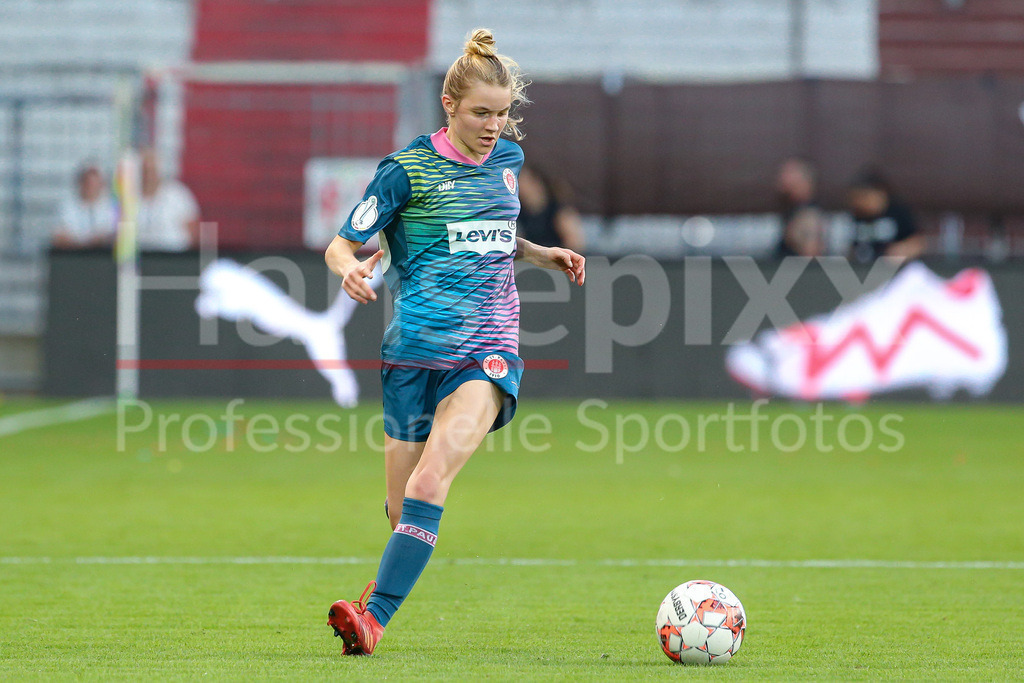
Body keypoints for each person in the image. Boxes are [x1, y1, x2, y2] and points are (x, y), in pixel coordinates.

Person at [323, 28, 585, 656]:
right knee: (399, 509)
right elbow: (341, 244)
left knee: (428, 483)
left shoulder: (508, 162)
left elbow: (494, 235)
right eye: (481, 113)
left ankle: (373, 619)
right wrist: (351, 269)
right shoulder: (405, 172)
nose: (494, 126)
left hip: (487, 350)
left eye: (502, 113)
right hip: (411, 352)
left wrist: (541, 254)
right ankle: (378, 593)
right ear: (450, 106)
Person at [847, 169, 925, 263]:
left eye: (865, 196)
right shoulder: (852, 216)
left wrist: (902, 250)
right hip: (860, 269)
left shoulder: (898, 213)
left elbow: (918, 241)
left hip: (894, 270)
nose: (861, 202)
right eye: (857, 198)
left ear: (881, 193)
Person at [136, 148, 200, 251]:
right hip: (141, 258)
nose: (148, 175)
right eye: (145, 170)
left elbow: (193, 229)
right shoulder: (129, 197)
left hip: (174, 257)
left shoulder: (178, 193)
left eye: (151, 170)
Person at [516, 163, 585, 252]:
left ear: (536, 182)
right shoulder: (519, 213)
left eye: (521, 181)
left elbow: (575, 243)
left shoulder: (560, 211)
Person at [53, 163, 117, 248]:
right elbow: (59, 237)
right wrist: (87, 243)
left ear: (102, 185)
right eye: (88, 183)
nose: (91, 187)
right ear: (81, 183)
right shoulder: (67, 207)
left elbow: (115, 235)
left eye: (95, 184)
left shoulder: (112, 207)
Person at [774, 157, 825, 258]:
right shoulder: (792, 211)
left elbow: (811, 255)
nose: (782, 178)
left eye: (789, 174)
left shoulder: (808, 216)